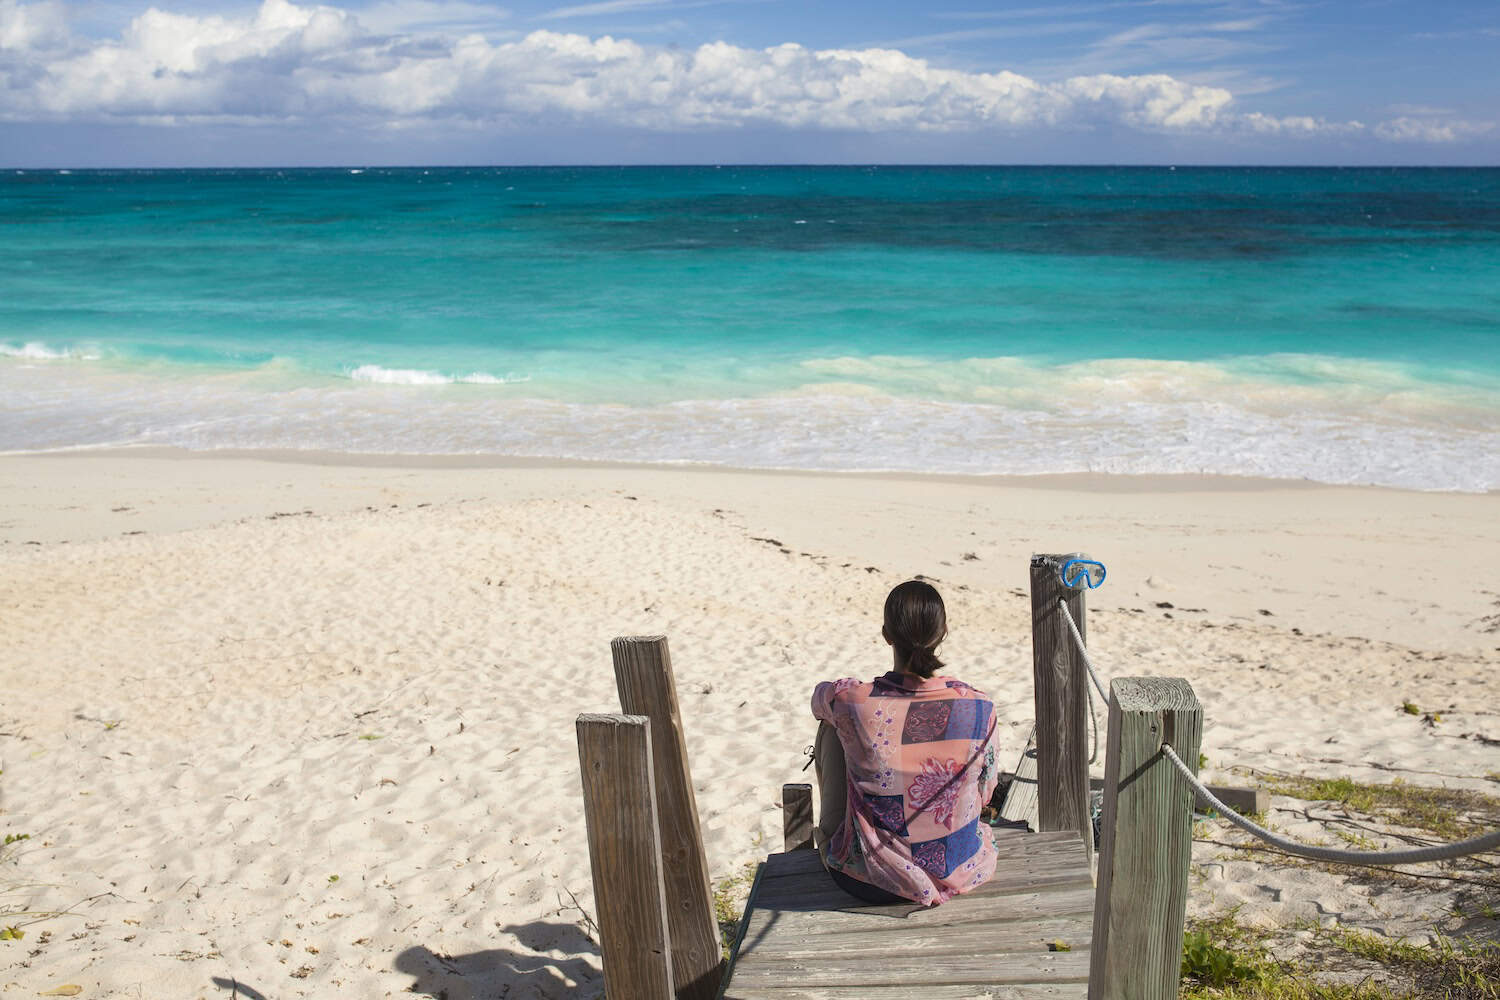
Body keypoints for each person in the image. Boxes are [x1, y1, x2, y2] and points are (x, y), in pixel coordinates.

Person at [810, 580, 1001, 906]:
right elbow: (985, 793)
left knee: (833, 727)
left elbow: (818, 699)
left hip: (872, 880)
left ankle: (833, 836)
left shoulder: (853, 702)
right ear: (942, 633)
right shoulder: (981, 707)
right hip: (961, 870)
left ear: (887, 634)